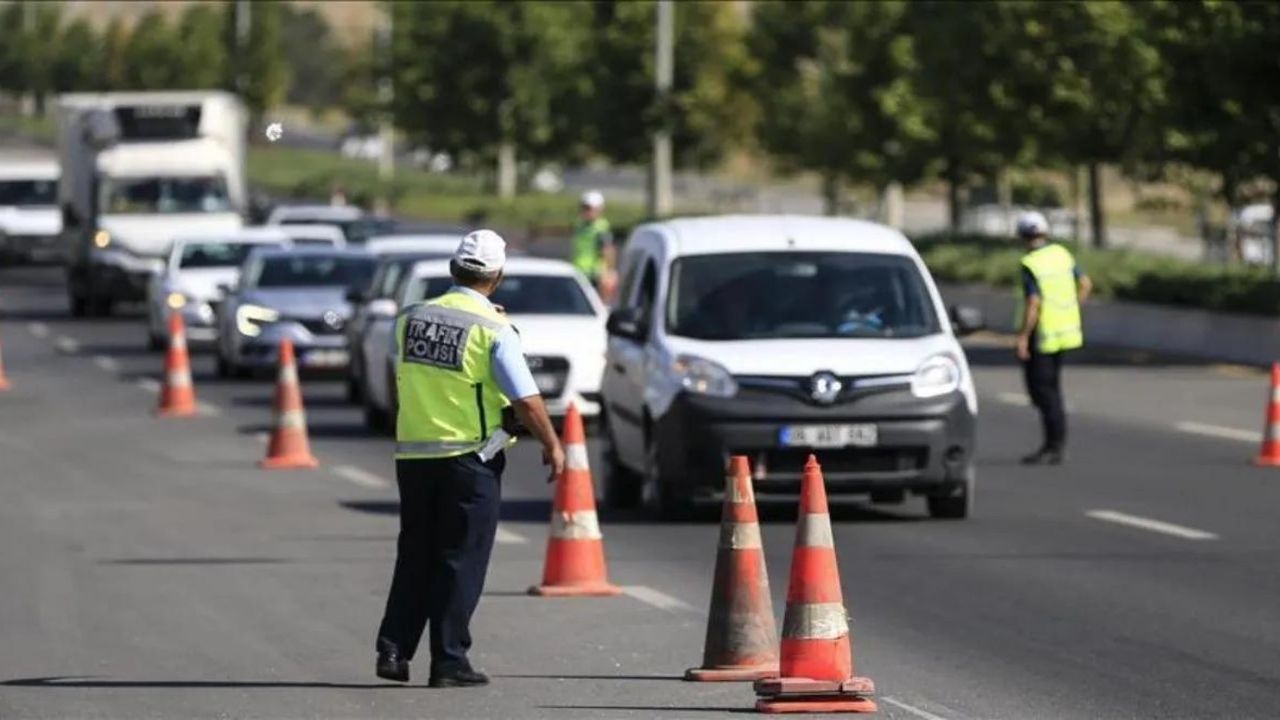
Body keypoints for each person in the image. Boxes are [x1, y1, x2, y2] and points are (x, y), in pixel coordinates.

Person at [375, 229, 566, 687]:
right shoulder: (494, 330)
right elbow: (526, 398)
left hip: (415, 455)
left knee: (415, 554)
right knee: (460, 559)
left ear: (452, 270)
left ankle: (394, 650)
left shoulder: (410, 318)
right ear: (497, 277)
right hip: (469, 458)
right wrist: (552, 444)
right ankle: (448, 661)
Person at [1014, 211, 1092, 465]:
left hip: (1043, 334)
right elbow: (1086, 284)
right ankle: (1054, 443)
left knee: (1044, 392)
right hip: (1065, 331)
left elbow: (1033, 302)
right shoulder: (1061, 254)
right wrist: (1071, 308)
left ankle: (1054, 444)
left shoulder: (1031, 263)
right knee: (1052, 389)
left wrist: (1024, 336)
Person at [570, 190, 617, 301]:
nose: (586, 211)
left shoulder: (601, 228)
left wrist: (609, 273)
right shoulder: (579, 225)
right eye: (584, 208)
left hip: (595, 275)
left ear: (599, 210)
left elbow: (608, 251)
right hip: (578, 271)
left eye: (589, 208)